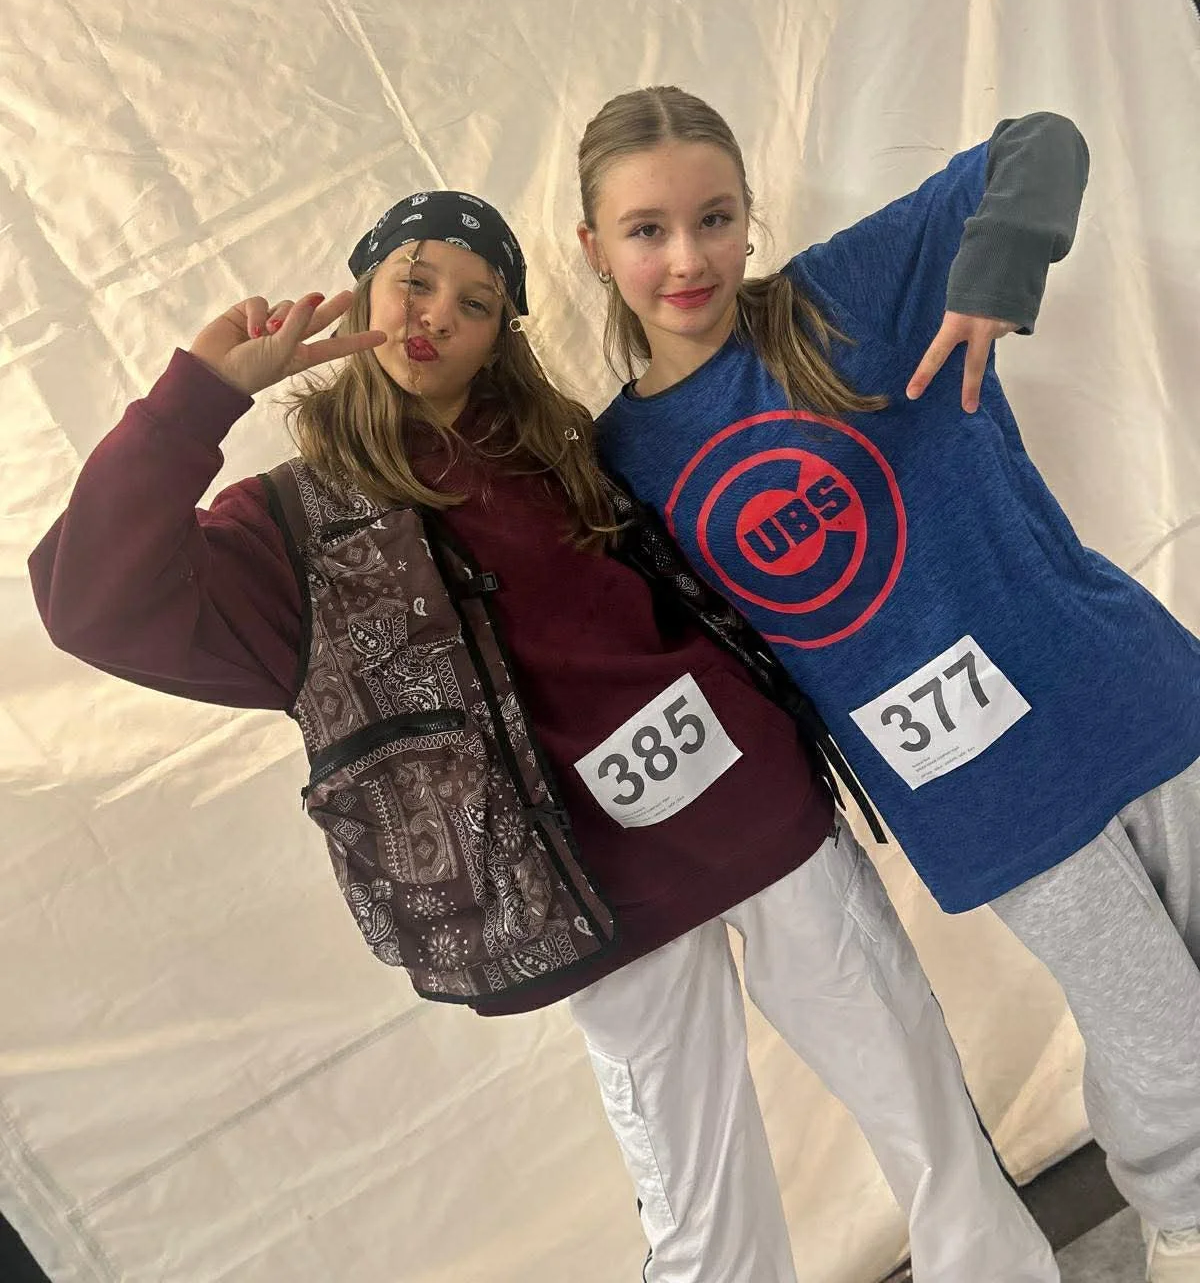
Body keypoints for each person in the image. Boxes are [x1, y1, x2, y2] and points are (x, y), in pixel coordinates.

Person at [28, 191, 1056, 1283]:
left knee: (920, 1102)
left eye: (475, 303)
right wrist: (199, 398)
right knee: (700, 1208)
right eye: (415, 280)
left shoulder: (563, 446)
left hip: (759, 815)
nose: (436, 314)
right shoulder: (286, 529)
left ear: (500, 336)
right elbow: (92, 602)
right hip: (590, 895)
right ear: (366, 290)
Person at [579, 85, 1200, 1283]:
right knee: (1159, 1029)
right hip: (981, 790)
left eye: (714, 218)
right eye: (647, 229)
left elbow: (1039, 145)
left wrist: (997, 269)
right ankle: (1185, 1224)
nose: (688, 257)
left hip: (1125, 683)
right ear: (594, 247)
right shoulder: (617, 465)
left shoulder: (843, 297)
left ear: (749, 217)